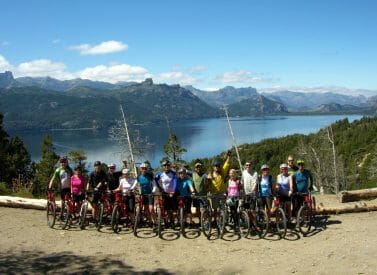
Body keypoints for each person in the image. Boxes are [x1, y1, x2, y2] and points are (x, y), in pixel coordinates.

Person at [207, 150, 231, 219]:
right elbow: (207, 184)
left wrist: (228, 156)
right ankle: (215, 220)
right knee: (215, 209)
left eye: (218, 166)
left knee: (222, 208)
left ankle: (222, 222)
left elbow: (226, 163)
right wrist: (208, 179)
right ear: (213, 167)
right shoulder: (210, 174)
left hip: (221, 193)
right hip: (213, 193)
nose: (217, 167)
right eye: (215, 166)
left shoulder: (222, 172)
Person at [155, 160, 178, 227]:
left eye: (168, 165)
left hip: (173, 193)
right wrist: (159, 188)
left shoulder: (173, 173)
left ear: (169, 166)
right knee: (167, 209)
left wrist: (173, 191)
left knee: (174, 209)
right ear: (163, 167)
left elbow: (175, 182)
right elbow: (155, 180)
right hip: (165, 193)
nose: (166, 167)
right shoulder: (160, 174)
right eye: (164, 165)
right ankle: (168, 221)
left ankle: (172, 221)